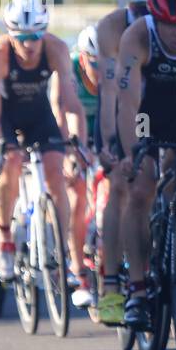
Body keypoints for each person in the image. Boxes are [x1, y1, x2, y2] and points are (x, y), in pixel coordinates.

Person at [0, 0, 88, 284]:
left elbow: (70, 102)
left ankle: (61, 252)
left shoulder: (56, 49)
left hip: (38, 114)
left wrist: (78, 147)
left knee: (56, 170)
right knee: (11, 162)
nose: (30, 44)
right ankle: (3, 234)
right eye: (23, 37)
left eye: (36, 36)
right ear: (10, 34)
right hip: (6, 115)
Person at [115, 0, 176, 328]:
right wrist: (131, 153)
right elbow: (127, 101)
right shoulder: (137, 36)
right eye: (169, 23)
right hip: (146, 116)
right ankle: (136, 287)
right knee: (141, 189)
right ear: (154, 20)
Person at [94, 0, 166, 325]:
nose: (145, 17)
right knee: (123, 184)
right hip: (126, 104)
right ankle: (111, 286)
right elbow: (111, 93)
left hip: (162, 96)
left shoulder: (175, 24)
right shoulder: (113, 28)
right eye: (138, 10)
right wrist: (115, 147)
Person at [66, 25, 102, 309]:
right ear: (82, 57)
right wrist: (70, 149)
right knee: (76, 195)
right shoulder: (68, 70)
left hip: (104, 132)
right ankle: (78, 273)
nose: (99, 69)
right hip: (71, 133)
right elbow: (60, 109)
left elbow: (136, 110)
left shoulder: (116, 71)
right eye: (93, 62)